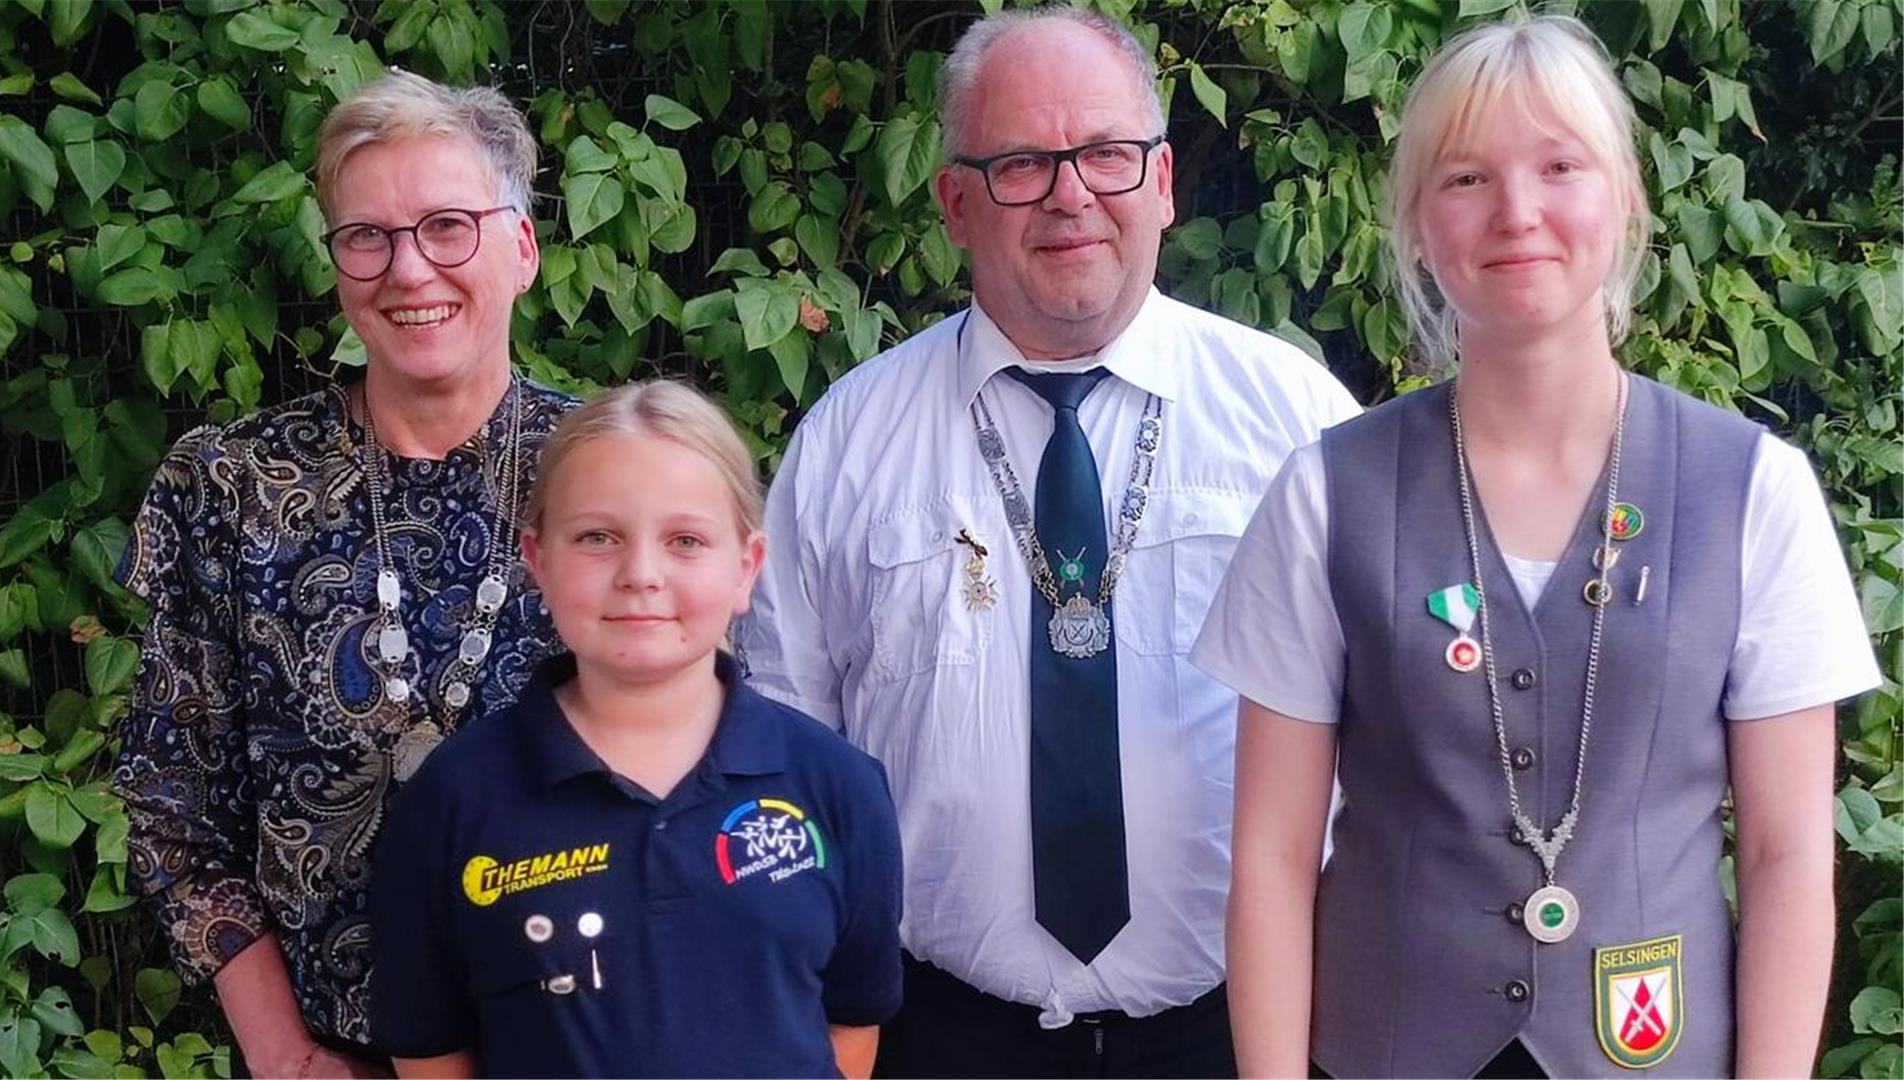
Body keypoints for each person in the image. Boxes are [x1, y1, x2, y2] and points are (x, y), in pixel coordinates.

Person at [1194, 15, 1882, 1078]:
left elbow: (1790, 858)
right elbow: (1274, 861)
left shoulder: (1756, 492)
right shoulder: (1324, 495)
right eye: (1466, 177)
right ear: (1418, 222)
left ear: (1625, 200)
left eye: (1560, 166)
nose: (1517, 212)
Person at [740, 7, 1359, 1076]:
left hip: (1240, 1034)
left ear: (1163, 181)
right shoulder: (850, 436)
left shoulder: (1294, 420)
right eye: (1023, 162)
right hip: (933, 1036)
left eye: (1108, 155)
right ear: (954, 202)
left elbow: (1389, 737)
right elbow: (780, 748)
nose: (1073, 193)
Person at [112, 71, 578, 1076]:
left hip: (582, 1048)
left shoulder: (613, 475)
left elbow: (705, 768)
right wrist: (289, 1059)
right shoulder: (230, 487)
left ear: (523, 247)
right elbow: (170, 801)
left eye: (448, 225)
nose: (409, 271)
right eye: (368, 235)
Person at [365, 382, 904, 1079]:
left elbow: (852, 1029)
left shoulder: (840, 788)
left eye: (685, 540)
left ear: (746, 568)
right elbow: (430, 1049)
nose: (640, 574)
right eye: (597, 537)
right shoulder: (452, 801)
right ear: (539, 562)